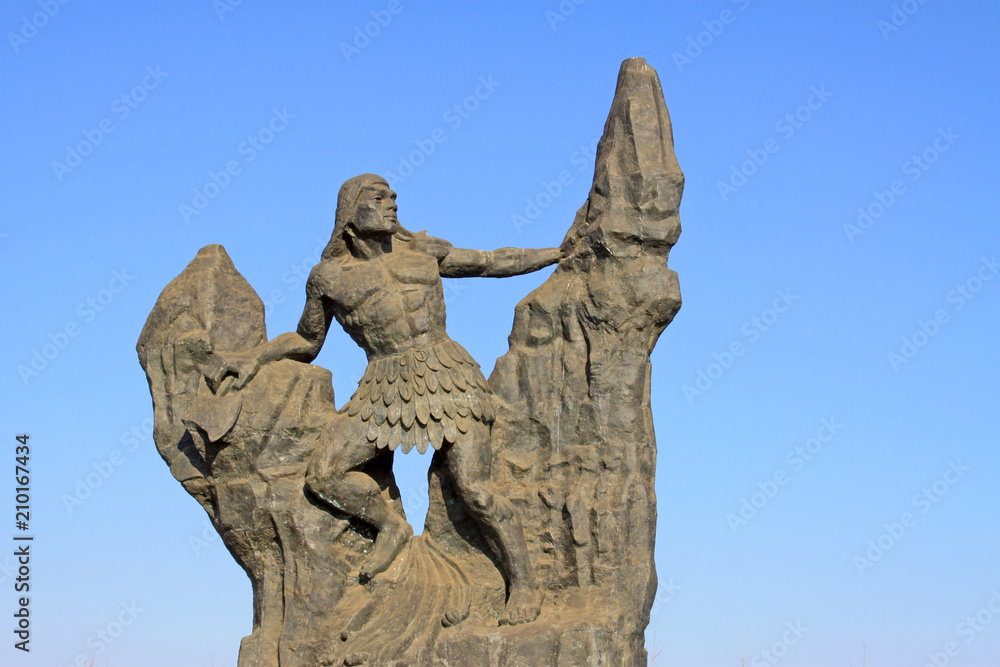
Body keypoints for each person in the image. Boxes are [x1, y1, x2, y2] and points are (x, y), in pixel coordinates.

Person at [212, 173, 561, 625]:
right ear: (350, 214)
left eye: (393, 196)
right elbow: (306, 339)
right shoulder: (329, 277)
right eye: (378, 197)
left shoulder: (422, 251)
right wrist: (255, 358)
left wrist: (557, 253)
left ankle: (525, 583)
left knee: (475, 489)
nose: (391, 203)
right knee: (323, 473)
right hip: (384, 386)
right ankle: (390, 525)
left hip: (446, 375)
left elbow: (492, 261)